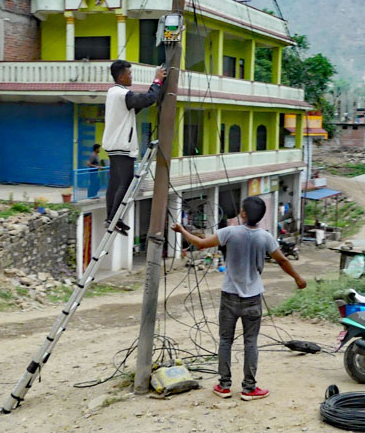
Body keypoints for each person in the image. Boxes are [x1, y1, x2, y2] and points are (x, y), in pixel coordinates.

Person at [172, 195, 306, 401]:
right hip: (253, 297)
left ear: (243, 213)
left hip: (229, 296)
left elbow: (200, 244)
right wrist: (298, 278)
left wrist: (182, 230)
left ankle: (224, 386)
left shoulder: (229, 232)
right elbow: (282, 260)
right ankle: (249, 389)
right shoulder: (266, 237)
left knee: (225, 341)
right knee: (251, 343)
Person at [102, 60, 166, 233]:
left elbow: (134, 107)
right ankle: (114, 218)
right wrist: (157, 81)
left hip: (113, 143)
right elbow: (148, 99)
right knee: (126, 182)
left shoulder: (113, 93)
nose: (131, 76)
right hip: (122, 145)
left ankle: (111, 218)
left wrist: (153, 89)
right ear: (121, 77)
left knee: (115, 183)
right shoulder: (123, 94)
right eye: (129, 74)